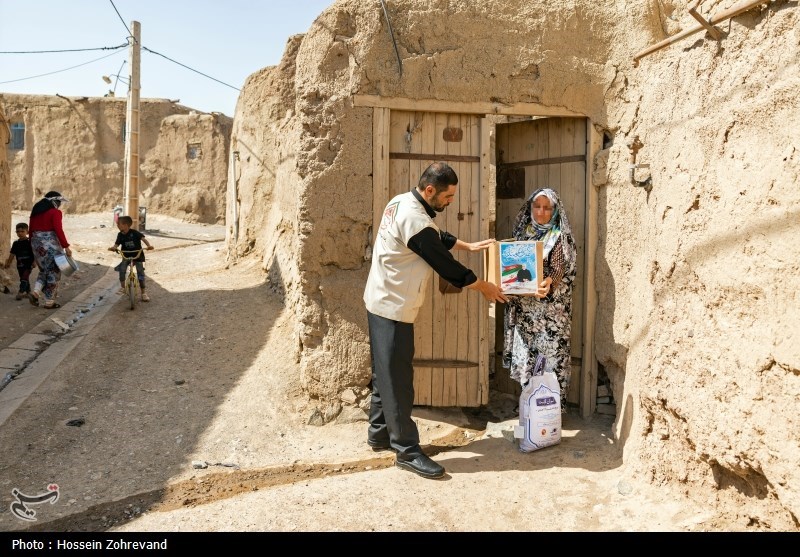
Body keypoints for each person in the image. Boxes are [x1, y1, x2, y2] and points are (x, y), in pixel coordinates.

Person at [363, 161, 508, 479]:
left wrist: (466, 244)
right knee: (398, 381)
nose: (450, 202)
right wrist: (482, 285)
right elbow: (444, 263)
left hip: (379, 300)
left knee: (385, 374)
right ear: (430, 190)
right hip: (392, 309)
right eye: (448, 196)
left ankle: (379, 435)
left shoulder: (402, 200)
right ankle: (407, 451)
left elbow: (436, 235)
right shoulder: (415, 221)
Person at [502, 187, 577, 413]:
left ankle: (550, 411)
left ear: (555, 210)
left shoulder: (559, 236)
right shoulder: (522, 232)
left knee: (551, 357)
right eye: (537, 206)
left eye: (547, 207)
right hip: (527, 312)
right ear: (530, 208)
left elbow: (559, 268)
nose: (541, 212)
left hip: (551, 314)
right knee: (528, 356)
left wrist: (549, 282)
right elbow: (512, 265)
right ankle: (529, 404)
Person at [28, 191, 72, 309]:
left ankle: (35, 292)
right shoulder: (55, 212)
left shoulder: (35, 212)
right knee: (54, 271)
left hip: (36, 246)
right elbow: (58, 230)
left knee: (44, 270)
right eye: (58, 202)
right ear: (54, 201)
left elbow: (31, 230)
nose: (59, 204)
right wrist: (66, 246)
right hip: (50, 246)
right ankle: (49, 302)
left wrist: (33, 253)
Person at [108, 215, 154, 302]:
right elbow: (117, 244)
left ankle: (143, 293)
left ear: (125, 225)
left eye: (119, 224)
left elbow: (143, 239)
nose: (117, 226)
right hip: (126, 255)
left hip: (137, 256)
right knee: (122, 270)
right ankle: (122, 287)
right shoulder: (120, 235)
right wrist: (113, 247)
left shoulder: (135, 232)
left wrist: (149, 246)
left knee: (140, 273)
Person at [3, 223, 36, 300]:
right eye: (18, 231)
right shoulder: (16, 243)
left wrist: (34, 262)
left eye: (22, 231)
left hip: (28, 264)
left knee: (24, 277)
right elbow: (12, 254)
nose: (20, 233)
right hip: (20, 265)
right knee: (24, 278)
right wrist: (8, 262)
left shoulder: (30, 242)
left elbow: (35, 253)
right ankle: (28, 292)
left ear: (27, 232)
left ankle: (20, 292)